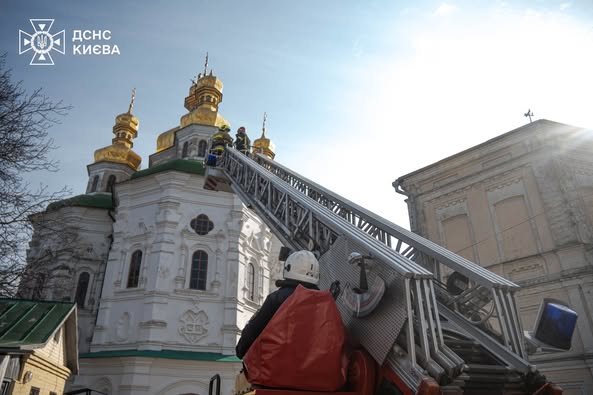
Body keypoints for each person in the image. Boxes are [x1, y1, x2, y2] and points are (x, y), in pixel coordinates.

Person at [235, 250, 320, 359]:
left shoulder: (276, 299)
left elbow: (253, 331)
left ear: (288, 268)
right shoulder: (324, 302)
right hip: (314, 369)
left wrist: (241, 350)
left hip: (277, 369)